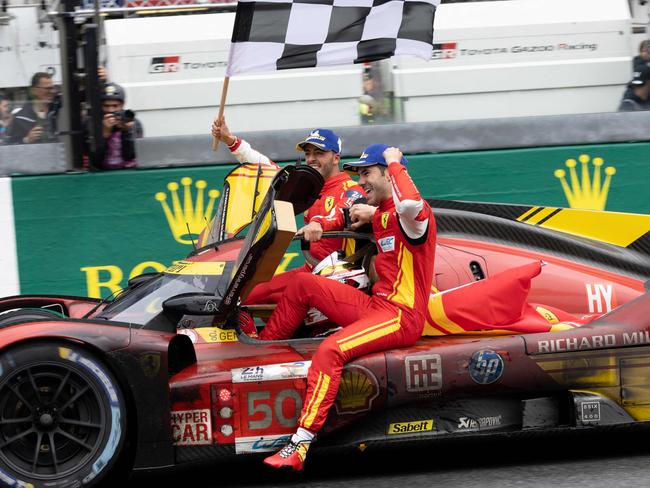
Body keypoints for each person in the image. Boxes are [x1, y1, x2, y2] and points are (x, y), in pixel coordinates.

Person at [260, 144, 436, 471]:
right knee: (304, 284)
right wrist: (334, 223)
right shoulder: (381, 212)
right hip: (376, 306)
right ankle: (265, 350)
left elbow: (409, 203)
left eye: (368, 173)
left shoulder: (416, 214)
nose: (362, 181)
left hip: (401, 316)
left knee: (330, 351)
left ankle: (300, 443)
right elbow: (345, 214)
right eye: (359, 174)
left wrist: (396, 161)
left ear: (389, 175)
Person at [210, 117, 365, 308]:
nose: (311, 159)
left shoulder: (352, 189)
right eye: (308, 153)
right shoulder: (307, 186)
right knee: (242, 294)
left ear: (336, 158)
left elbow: (341, 212)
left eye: (319, 153)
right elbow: (266, 167)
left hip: (335, 277)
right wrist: (230, 140)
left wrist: (318, 223)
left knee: (251, 300)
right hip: (310, 270)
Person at [96, 82, 143, 170]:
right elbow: (96, 161)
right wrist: (105, 134)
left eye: (115, 106)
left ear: (122, 105)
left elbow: (130, 156)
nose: (111, 110)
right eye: (106, 106)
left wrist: (126, 131)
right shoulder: (93, 123)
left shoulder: (133, 122)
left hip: (128, 171)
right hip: (102, 173)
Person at [7, 72, 58, 144]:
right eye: (47, 89)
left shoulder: (56, 114)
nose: (52, 91)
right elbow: (10, 146)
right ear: (34, 90)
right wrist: (26, 140)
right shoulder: (20, 118)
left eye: (53, 88)